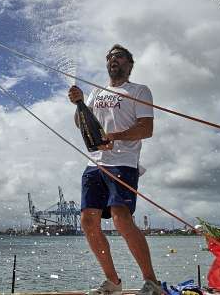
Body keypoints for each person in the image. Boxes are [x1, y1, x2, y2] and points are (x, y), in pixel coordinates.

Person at [68, 44, 160, 295]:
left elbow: (146, 129)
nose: (113, 60)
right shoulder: (96, 91)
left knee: (121, 218)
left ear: (130, 64)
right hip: (94, 163)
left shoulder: (139, 90)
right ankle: (113, 282)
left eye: (119, 57)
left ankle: (152, 282)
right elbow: (81, 123)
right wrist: (78, 103)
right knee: (88, 221)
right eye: (109, 57)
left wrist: (115, 136)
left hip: (123, 163)